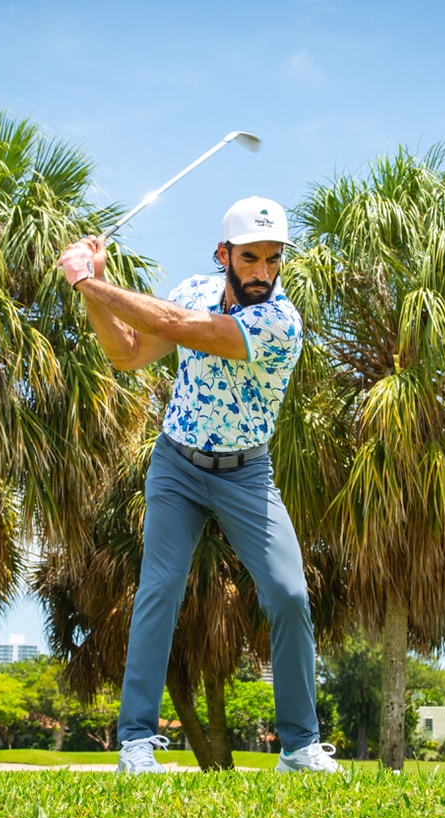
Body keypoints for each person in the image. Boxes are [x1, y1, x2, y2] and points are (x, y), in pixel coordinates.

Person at [56, 196, 338, 774]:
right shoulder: (192, 289)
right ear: (224, 254)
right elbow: (128, 354)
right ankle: (135, 741)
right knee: (160, 589)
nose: (263, 272)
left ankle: (300, 746)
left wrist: (90, 280)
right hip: (177, 465)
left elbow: (176, 326)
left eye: (273, 259)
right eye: (251, 258)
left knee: (288, 592)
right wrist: (94, 289)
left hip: (247, 474)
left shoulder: (279, 322)